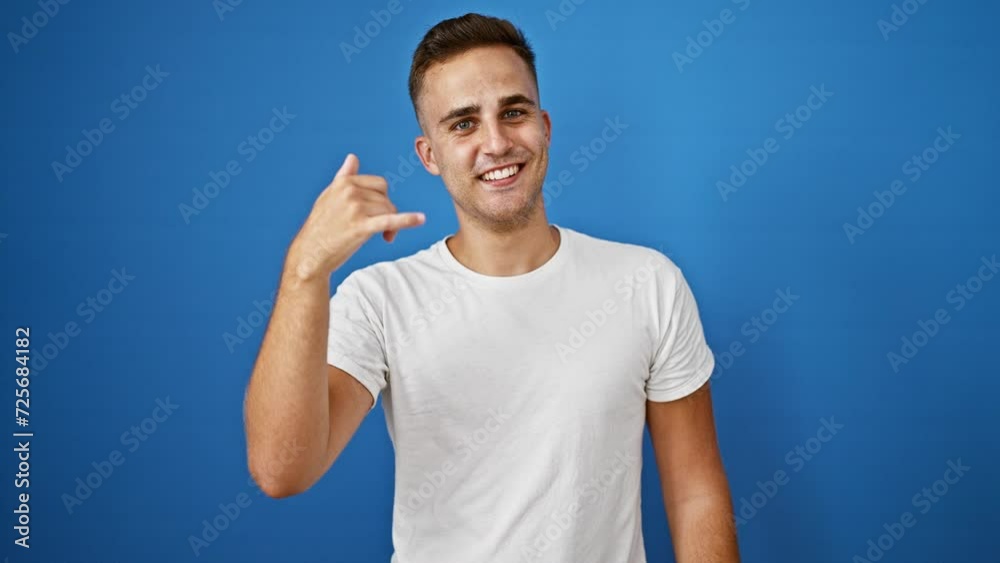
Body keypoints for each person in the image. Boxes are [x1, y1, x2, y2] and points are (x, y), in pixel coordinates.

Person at [243, 12, 739, 563]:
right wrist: (304, 271)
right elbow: (281, 469)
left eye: (513, 112)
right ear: (429, 155)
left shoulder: (647, 283)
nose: (496, 142)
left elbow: (695, 492)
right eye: (463, 124)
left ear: (544, 126)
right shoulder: (381, 299)